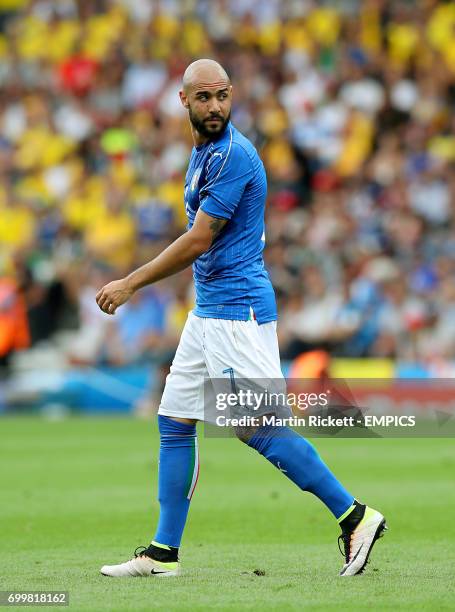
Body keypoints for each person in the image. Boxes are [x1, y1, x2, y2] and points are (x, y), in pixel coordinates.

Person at [96, 59, 387, 578]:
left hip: (238, 313)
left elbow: (199, 239)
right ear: (184, 101)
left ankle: (355, 516)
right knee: (175, 420)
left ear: (232, 97)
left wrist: (130, 283)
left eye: (222, 96)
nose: (215, 106)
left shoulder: (233, 155)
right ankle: (164, 553)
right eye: (204, 97)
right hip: (209, 313)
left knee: (255, 428)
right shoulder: (203, 151)